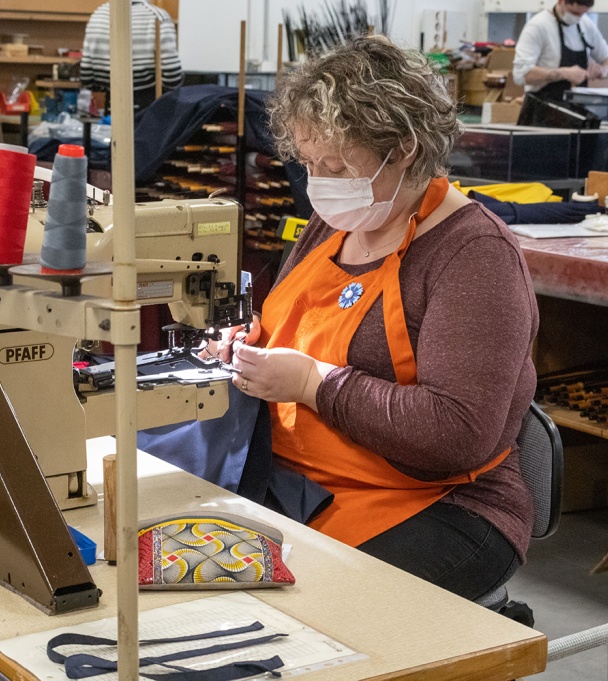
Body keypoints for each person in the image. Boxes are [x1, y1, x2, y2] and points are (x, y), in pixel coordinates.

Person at [206, 36, 539, 601]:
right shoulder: (333, 224)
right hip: (298, 481)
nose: (320, 181)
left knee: (301, 613)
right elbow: (304, 327)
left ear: (404, 147)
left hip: (436, 504)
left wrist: (313, 384)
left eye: (336, 164)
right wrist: (252, 345)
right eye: (311, 163)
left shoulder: (473, 254)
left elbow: (457, 434)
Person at [80, 0, 184, 109]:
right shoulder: (158, 16)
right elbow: (172, 75)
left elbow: (86, 77)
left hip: (111, 107)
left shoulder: (97, 16)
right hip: (147, 107)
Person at [512, 0, 608, 100]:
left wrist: (605, 70)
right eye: (574, 12)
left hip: (576, 107)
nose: (578, 18)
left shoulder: (586, 24)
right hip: (542, 107)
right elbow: (521, 75)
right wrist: (563, 73)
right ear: (561, 1)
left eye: (583, 13)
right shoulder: (538, 26)